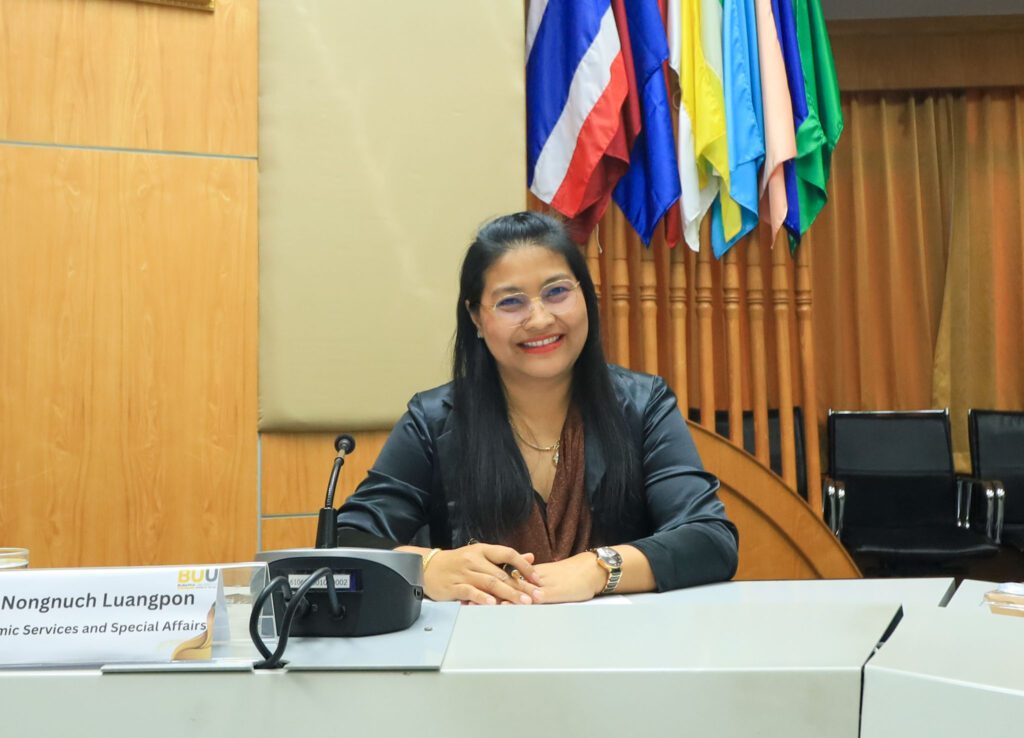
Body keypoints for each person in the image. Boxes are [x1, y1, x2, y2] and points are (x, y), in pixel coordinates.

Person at [337, 211, 738, 604]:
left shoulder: (643, 405)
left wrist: (599, 568)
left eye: (557, 292)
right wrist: (428, 566)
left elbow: (710, 539)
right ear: (476, 318)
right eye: (511, 302)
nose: (540, 318)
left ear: (585, 295)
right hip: (478, 642)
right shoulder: (434, 420)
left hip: (622, 641)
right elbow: (345, 541)